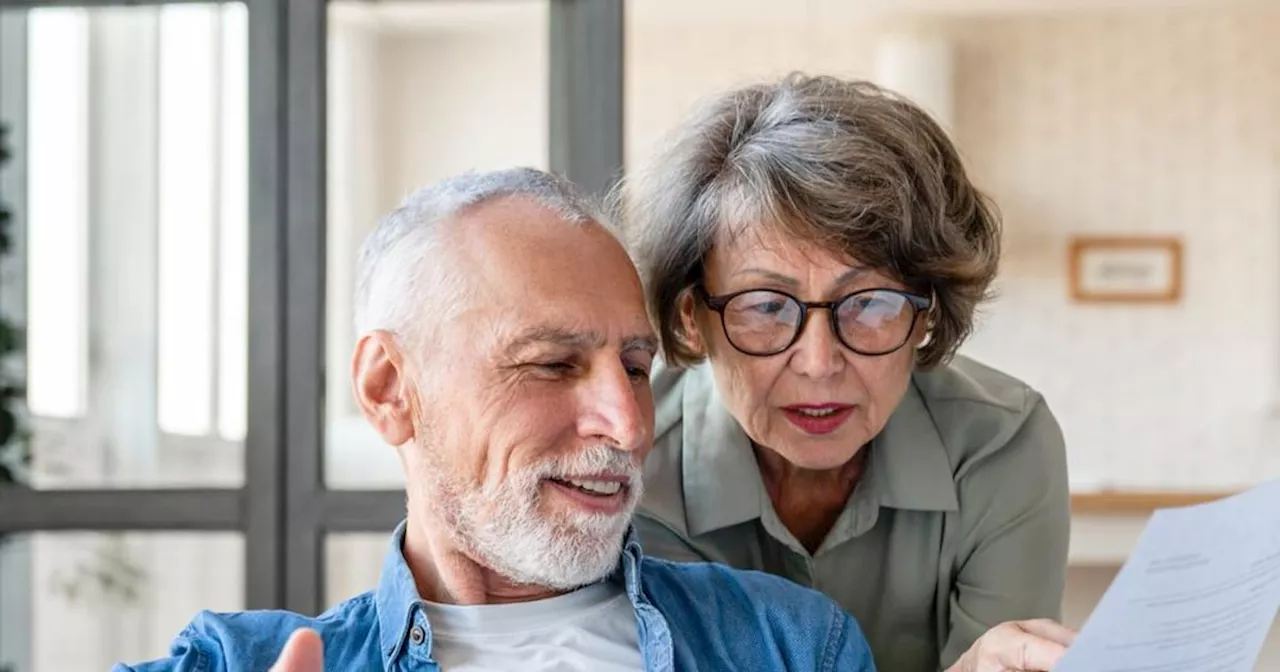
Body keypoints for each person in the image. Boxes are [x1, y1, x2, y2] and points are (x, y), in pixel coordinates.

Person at [112, 168, 877, 672]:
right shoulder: (234, 661)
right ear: (389, 389)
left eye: (638, 370)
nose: (628, 425)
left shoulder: (790, 645)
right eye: (552, 365)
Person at [618, 73, 1075, 672]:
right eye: (764, 307)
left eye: (872, 304)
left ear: (927, 315)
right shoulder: (631, 468)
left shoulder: (1002, 444)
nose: (818, 363)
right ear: (691, 317)